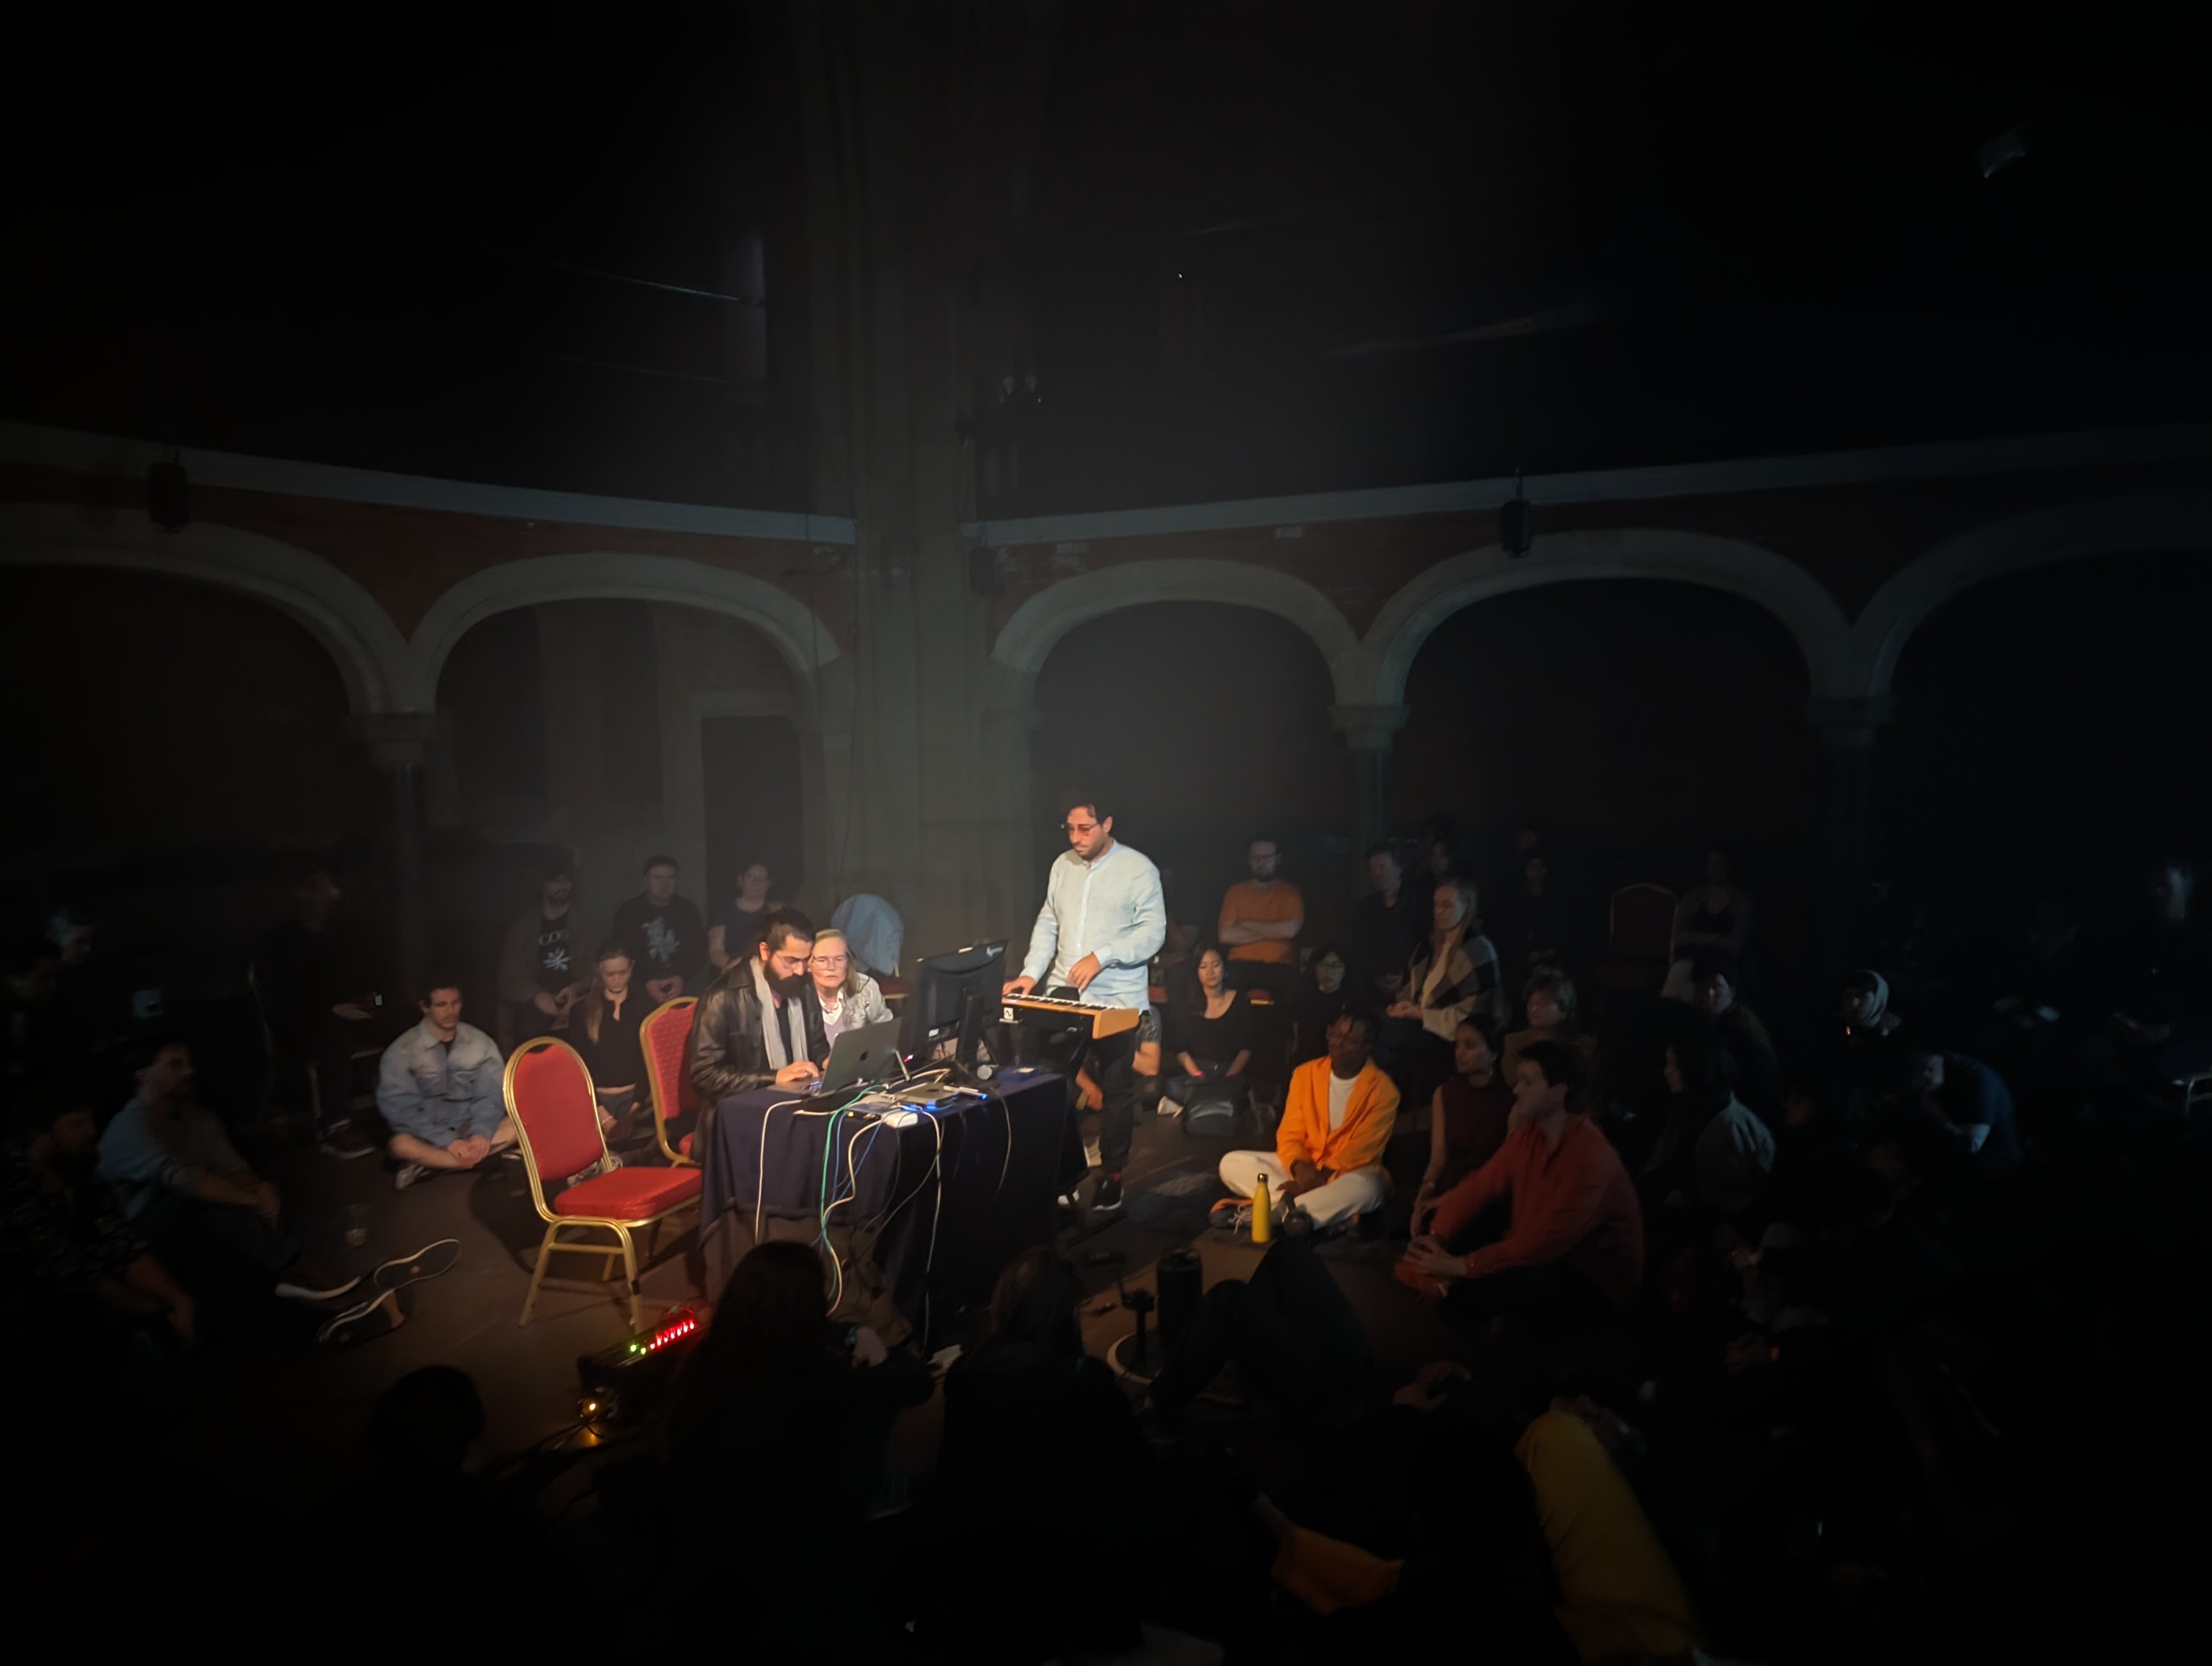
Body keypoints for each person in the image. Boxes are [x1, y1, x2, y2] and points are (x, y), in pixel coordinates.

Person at [669, 1240, 932, 1659]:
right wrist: (870, 1343)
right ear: (809, 1310)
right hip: (809, 1566)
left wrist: (849, 1332)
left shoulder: (702, 1365)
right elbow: (917, 1382)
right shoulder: (821, 1383)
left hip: (717, 1571)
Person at [926, 1248, 1147, 1661]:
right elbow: (1132, 1475)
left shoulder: (964, 1378)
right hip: (1070, 1588)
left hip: (983, 1582)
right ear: (1066, 1315)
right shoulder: (1087, 1383)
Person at [1399, 1041, 1643, 1329]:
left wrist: (1461, 1266)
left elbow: (1543, 1242)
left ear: (1559, 1091)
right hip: (1538, 1253)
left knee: (1479, 1298)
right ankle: (1449, 1286)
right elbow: (1479, 1188)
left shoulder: (1590, 1156)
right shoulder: (1528, 1137)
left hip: (1590, 1276)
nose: (1516, 1091)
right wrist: (1439, 1238)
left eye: (1527, 1082)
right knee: (1459, 1224)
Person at [98, 1040, 359, 1303]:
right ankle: (293, 1269)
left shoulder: (199, 1119)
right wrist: (252, 1198)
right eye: (176, 1065)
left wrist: (262, 1192)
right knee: (202, 1198)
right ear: (142, 1074)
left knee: (278, 1179)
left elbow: (232, 1166)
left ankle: (325, 1262)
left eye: (189, 1064)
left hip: (197, 1223)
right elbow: (184, 1180)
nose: (189, 1072)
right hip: (143, 1241)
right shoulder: (130, 1128)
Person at [1005, 792, 1166, 1214]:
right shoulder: (1063, 866)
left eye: (1085, 829)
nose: (1076, 838)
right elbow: (1048, 921)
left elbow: (1154, 933)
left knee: (1116, 1090)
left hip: (1115, 998)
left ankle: (1113, 1176)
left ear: (1107, 824)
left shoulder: (1137, 869)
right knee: (1051, 1085)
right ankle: (1064, 1173)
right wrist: (1029, 973)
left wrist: (1103, 954)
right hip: (1064, 992)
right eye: (1070, 829)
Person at [3, 1081, 195, 1347]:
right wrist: (156, 1315)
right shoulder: (13, 1183)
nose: (93, 1132)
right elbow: (67, 1272)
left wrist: (177, 1300)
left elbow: (121, 1246)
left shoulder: (87, 1183)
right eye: (77, 1124)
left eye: (91, 1122)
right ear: (41, 1135)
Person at [1217, 1010, 1398, 1231]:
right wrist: (1298, 1167)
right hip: (1303, 1168)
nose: (1339, 1044)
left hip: (1343, 1175)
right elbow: (1290, 1133)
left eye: (1350, 1041)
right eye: (1335, 1035)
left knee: (1369, 1188)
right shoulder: (1306, 1074)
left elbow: (1361, 1152)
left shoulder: (1384, 1091)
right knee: (1231, 1163)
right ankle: (1307, 1213)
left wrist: (1317, 1178)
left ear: (1368, 1047)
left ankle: (1276, 1210)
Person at [253, 867, 381, 1158]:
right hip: (304, 1027)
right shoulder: (282, 942)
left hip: (349, 1017)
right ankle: (337, 1127)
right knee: (333, 1032)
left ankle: (415, 1104)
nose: (334, 896)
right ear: (304, 894)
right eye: (326, 889)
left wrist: (375, 1001)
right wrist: (334, 1009)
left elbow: (369, 982)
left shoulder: (340, 937)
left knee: (404, 1015)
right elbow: (286, 997)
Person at [376, 978, 517, 1191]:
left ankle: (435, 1167)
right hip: (429, 1136)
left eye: (455, 1003)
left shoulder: (480, 1042)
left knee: (520, 1123)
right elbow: (402, 1110)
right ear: (425, 1008)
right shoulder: (402, 1051)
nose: (450, 1011)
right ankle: (476, 1161)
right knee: (400, 1145)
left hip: (470, 1128)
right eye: (442, 1005)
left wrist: (482, 1132)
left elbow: (491, 1096)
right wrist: (448, 1141)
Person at [690, 909, 830, 1100]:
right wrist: (774, 1077)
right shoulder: (722, 997)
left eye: (806, 961)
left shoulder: (804, 987)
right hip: (744, 1109)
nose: (799, 970)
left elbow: (818, 1045)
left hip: (801, 1096)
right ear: (765, 951)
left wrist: (827, 1062)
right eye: (791, 961)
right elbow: (705, 1076)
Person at [1384, 879, 1503, 1090]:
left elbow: (1475, 1014)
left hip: (1451, 1038)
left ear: (1466, 907)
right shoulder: (1427, 947)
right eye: (1436, 905)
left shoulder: (1478, 951)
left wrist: (1420, 1014)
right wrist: (1402, 1007)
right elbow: (1412, 991)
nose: (1439, 912)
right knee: (1378, 1027)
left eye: (1447, 905)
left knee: (1391, 1034)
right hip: (1416, 1027)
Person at [1643, 1027, 1774, 1218]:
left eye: (1673, 1065)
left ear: (1693, 1069)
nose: (1666, 1072)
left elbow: (1729, 1201)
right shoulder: (1694, 1108)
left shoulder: (1729, 1129)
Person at [1411, 1020, 1514, 1234]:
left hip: (1485, 1191)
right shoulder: (1446, 1094)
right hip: (1450, 1181)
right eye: (1457, 1046)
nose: (1460, 1053)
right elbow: (1438, 1160)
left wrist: (1451, 1199)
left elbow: (1503, 1170)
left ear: (1493, 1054)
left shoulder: (1510, 1101)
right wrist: (1424, 1195)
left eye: (1470, 1046)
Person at [496, 860, 602, 1051]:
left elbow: (598, 969)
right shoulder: (524, 925)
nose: (562, 887)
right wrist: (536, 996)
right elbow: (509, 977)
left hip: (578, 1004)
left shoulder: (586, 922)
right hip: (535, 1011)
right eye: (555, 881)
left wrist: (576, 990)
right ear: (542, 884)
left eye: (566, 881)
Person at [570, 945, 647, 1142]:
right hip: (596, 1102)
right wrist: (603, 1117)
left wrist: (634, 1110)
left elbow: (649, 1063)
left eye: (622, 972)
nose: (616, 979)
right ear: (599, 972)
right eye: (609, 974)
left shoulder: (646, 1006)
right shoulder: (582, 1011)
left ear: (632, 968)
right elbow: (579, 1066)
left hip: (637, 1100)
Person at [1908, 1048, 2023, 1181]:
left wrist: (1939, 1116)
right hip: (1973, 1165)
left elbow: (1971, 1145)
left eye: (1922, 1083)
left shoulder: (1979, 1082)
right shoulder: (1945, 1074)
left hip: (1993, 1170)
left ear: (1929, 1069)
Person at [1166, 945, 1254, 1116]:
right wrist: (1198, 1075)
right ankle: (1210, 1104)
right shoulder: (1189, 1003)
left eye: (1216, 965)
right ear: (1197, 971)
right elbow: (1181, 1049)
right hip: (1199, 1071)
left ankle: (1202, 1105)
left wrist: (1229, 1077)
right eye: (1203, 967)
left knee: (1242, 1089)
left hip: (1229, 1070)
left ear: (1224, 968)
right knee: (1172, 1086)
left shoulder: (1240, 1000)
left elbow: (1247, 1048)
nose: (1210, 972)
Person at [610, 854, 709, 1004]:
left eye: (670, 878)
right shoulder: (628, 912)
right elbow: (621, 953)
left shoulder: (688, 910)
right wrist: (647, 982)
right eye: (658, 878)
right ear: (646, 881)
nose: (664, 884)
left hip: (683, 980)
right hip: (641, 981)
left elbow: (699, 953)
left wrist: (681, 977)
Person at [1691, 954, 1780, 1112]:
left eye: (1717, 987)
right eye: (1704, 986)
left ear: (1732, 992)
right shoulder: (1728, 1019)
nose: (1709, 994)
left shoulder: (1735, 1029)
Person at [1217, 837, 1304, 994]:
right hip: (1240, 966)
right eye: (1256, 858)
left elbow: (1290, 931)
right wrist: (1273, 932)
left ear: (1278, 859)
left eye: (1266, 858)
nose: (1261, 862)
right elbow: (1226, 935)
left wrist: (1248, 925)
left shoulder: (1290, 894)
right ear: (1249, 860)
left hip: (1280, 966)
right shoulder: (1235, 893)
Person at [1666, 847, 1753, 997]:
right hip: (1690, 960)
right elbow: (1679, 937)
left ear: (1730, 866)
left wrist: (1697, 939)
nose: (1715, 868)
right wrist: (1716, 940)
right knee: (1677, 991)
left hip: (1723, 965)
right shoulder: (1692, 898)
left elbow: (1735, 945)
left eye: (1720, 863)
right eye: (1712, 863)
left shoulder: (1741, 902)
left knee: (1712, 995)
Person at [1500, 968, 1599, 1091]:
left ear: (1564, 1007)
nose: (1534, 1009)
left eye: (1543, 1004)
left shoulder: (1583, 1047)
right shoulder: (1513, 1043)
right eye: (1531, 1003)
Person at [1351, 841, 1423, 1003]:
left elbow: (1427, 944)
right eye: (1373, 869)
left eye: (1383, 867)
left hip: (1416, 987)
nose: (1377, 874)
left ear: (1399, 868)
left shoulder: (1420, 903)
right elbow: (1359, 947)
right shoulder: (1365, 909)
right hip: (1374, 989)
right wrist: (1375, 977)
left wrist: (1407, 975)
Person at [805, 927, 895, 1045]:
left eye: (839, 959)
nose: (831, 967)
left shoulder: (865, 988)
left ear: (847, 962)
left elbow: (886, 1032)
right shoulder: (798, 998)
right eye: (822, 960)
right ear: (808, 965)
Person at [707, 857, 783, 974]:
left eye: (762, 879)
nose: (756, 882)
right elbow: (716, 951)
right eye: (751, 877)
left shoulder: (777, 912)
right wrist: (737, 971)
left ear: (769, 884)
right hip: (732, 975)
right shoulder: (724, 912)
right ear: (741, 880)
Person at [1288, 943, 1354, 1065]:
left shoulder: (1352, 1002)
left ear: (1345, 970)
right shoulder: (1303, 998)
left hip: (1339, 1062)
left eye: (1335, 966)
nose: (1329, 971)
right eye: (1324, 965)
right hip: (1305, 1061)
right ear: (1315, 968)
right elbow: (1296, 1038)